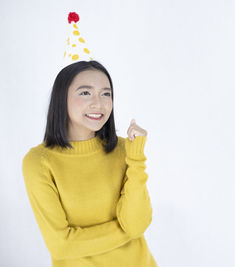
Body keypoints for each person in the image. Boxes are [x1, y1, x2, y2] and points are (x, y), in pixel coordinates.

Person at [22, 60, 158, 266]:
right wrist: (125, 230)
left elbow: (137, 224)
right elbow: (61, 245)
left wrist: (136, 157)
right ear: (61, 98)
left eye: (106, 93)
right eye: (85, 93)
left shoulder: (125, 149)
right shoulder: (39, 162)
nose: (99, 103)